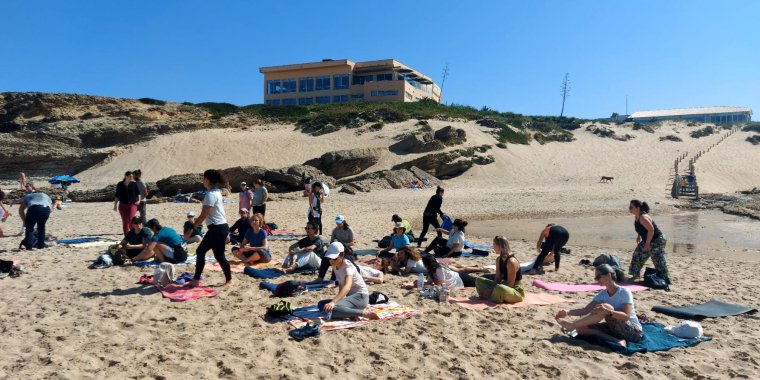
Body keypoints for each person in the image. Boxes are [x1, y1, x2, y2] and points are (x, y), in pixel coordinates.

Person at [555, 264, 643, 346]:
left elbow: (626, 316)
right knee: (580, 329)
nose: (597, 280)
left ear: (608, 275)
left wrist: (609, 312)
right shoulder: (603, 294)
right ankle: (616, 340)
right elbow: (585, 310)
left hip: (633, 332)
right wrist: (567, 312)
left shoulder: (624, 292)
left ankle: (571, 325)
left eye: (598, 277)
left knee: (605, 307)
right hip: (614, 328)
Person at [191, 170, 232, 287]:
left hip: (217, 228)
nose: (203, 181)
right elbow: (220, 212)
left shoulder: (210, 194)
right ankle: (197, 279)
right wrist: (227, 232)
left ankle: (228, 280)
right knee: (209, 253)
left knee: (211, 254)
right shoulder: (216, 192)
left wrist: (192, 227)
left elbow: (204, 215)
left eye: (204, 178)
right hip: (220, 227)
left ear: (208, 180)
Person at [317, 242, 379, 320]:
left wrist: (334, 302)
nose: (331, 261)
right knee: (321, 304)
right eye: (329, 258)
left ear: (342, 256)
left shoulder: (348, 267)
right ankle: (350, 313)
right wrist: (337, 300)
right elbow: (341, 285)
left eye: (334, 258)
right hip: (351, 297)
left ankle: (365, 314)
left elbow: (347, 287)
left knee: (332, 309)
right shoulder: (336, 266)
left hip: (360, 297)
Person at [628, 200, 671, 283]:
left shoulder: (643, 217)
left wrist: (647, 244)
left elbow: (651, 230)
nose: (629, 209)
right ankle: (635, 275)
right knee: (637, 254)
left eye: (631, 207)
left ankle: (665, 278)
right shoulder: (637, 216)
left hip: (657, 240)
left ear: (638, 208)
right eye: (629, 207)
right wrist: (639, 236)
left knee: (657, 259)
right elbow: (642, 228)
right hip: (648, 239)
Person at [476, 236, 525, 303]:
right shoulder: (498, 259)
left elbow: (510, 284)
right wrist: (491, 289)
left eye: (494, 245)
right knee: (479, 280)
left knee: (500, 288)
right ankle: (494, 296)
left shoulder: (511, 262)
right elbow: (497, 278)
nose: (493, 247)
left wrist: (492, 291)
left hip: (515, 290)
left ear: (500, 247)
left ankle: (491, 296)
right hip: (502, 285)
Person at [18, 184, 53, 250]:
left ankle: (29, 246)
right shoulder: (45, 195)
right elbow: (51, 209)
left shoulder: (28, 196)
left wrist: (25, 221)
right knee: (41, 227)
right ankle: (41, 245)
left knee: (29, 228)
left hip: (34, 208)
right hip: (45, 209)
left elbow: (21, 209)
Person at [113, 171, 141, 235]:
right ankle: (126, 236)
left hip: (132, 204)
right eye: (130, 176)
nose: (131, 177)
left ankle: (133, 233)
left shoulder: (134, 184)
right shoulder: (120, 184)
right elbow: (117, 195)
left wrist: (139, 200)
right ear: (126, 176)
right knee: (125, 221)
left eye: (132, 176)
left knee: (131, 219)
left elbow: (138, 193)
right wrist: (115, 205)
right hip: (122, 205)